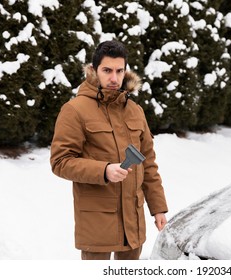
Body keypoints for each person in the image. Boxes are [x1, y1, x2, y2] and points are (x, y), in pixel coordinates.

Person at [50, 39, 168, 260]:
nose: (114, 78)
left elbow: (148, 163)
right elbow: (60, 162)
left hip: (133, 222)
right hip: (97, 223)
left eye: (119, 71)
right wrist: (103, 170)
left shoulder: (135, 111)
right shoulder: (75, 110)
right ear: (94, 71)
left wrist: (158, 208)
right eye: (107, 70)